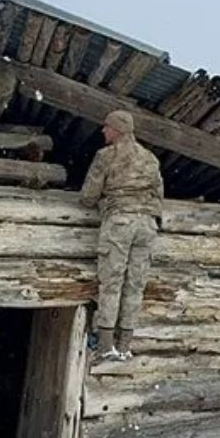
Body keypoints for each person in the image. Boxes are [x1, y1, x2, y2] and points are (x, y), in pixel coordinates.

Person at [79, 109, 164, 362]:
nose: (103, 131)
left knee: (112, 281)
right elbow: (159, 194)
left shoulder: (106, 156)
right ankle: (125, 344)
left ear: (117, 130)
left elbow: (89, 195)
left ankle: (106, 343)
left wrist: (99, 202)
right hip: (147, 225)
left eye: (106, 127)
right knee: (135, 285)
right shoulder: (150, 158)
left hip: (120, 221)